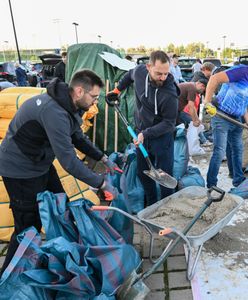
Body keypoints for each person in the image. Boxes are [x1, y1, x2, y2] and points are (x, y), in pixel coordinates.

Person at [0, 69, 117, 275]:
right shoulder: (53, 111)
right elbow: (69, 161)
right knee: (28, 227)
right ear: (79, 91)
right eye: (94, 97)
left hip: (40, 163)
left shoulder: (68, 106)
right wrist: (100, 183)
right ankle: (7, 278)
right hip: (19, 170)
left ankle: (62, 255)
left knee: (61, 203)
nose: (95, 102)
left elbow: (77, 138)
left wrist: (102, 158)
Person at [106, 50, 180, 206]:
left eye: (166, 74)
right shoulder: (139, 72)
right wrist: (117, 91)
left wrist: (145, 134)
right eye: (159, 73)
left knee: (164, 175)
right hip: (141, 134)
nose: (163, 78)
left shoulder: (170, 93)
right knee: (143, 173)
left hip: (162, 136)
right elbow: (128, 76)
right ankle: (152, 204)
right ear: (148, 67)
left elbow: (169, 123)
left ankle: (168, 207)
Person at [204, 64, 248, 188]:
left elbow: (243, 104)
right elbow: (214, 79)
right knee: (220, 151)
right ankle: (212, 184)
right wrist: (207, 102)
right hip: (221, 116)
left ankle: (238, 179)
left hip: (236, 119)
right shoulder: (242, 71)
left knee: (237, 149)